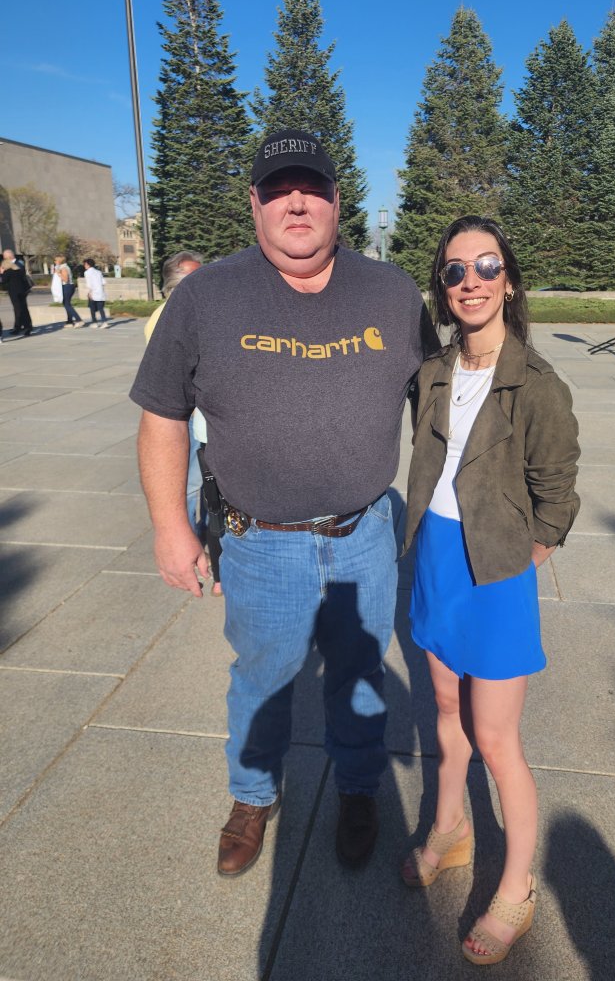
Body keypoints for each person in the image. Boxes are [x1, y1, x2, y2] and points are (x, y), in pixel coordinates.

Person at [130, 128, 437, 877]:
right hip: (259, 541)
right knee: (262, 678)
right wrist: (170, 527)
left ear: (336, 200)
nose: (295, 203)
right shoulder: (205, 296)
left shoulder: (393, 294)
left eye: (311, 188)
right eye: (278, 190)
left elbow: (439, 406)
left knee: (360, 676)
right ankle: (252, 795)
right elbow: (163, 414)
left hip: (365, 534)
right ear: (255, 203)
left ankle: (357, 789)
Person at [400, 215, 580, 966]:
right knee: (445, 709)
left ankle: (516, 884)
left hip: (496, 572)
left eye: (485, 266)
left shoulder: (537, 385)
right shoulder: (432, 373)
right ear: (441, 288)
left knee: (499, 740)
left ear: (508, 281)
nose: (469, 281)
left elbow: (557, 496)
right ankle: (451, 828)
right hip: (436, 560)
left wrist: (517, 559)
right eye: (454, 270)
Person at [143, 251, 205, 540]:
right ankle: (190, 541)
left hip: (204, 415)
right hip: (188, 416)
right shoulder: (166, 319)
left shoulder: (193, 313)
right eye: (195, 278)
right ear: (174, 285)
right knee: (191, 484)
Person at [1, 249, 33, 336]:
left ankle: (21, 327)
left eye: (5, 257)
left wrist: (2, 272)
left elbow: (3, 280)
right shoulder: (17, 265)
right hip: (21, 290)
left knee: (19, 309)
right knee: (22, 308)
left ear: (9, 256)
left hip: (16, 291)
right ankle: (24, 326)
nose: (4, 259)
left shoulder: (17, 264)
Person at [52, 255, 83, 327]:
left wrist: (59, 273)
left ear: (59, 261)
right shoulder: (62, 267)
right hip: (67, 286)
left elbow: (66, 280)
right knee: (66, 304)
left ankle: (79, 320)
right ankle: (69, 322)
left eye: (55, 260)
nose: (54, 261)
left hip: (67, 286)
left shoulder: (64, 268)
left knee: (67, 304)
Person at [83, 258, 108, 327]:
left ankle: (94, 323)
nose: (84, 266)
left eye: (85, 264)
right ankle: (104, 322)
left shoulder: (87, 272)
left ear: (88, 265)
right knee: (101, 308)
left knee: (92, 308)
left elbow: (89, 284)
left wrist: (89, 292)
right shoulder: (99, 272)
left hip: (93, 292)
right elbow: (103, 282)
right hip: (100, 292)